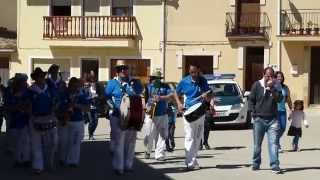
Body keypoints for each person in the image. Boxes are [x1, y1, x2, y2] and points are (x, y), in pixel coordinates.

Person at [104, 60, 143, 175]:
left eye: (125, 68)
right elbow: (106, 97)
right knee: (119, 142)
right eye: (120, 69)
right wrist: (113, 107)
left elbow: (141, 93)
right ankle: (118, 167)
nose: (123, 71)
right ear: (117, 71)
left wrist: (134, 85)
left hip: (133, 116)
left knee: (131, 142)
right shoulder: (112, 83)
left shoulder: (135, 82)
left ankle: (128, 165)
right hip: (117, 116)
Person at [173, 64, 213, 170]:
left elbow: (209, 97)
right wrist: (179, 104)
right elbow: (176, 93)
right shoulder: (184, 81)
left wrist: (206, 96)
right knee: (189, 137)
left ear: (199, 71)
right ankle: (190, 163)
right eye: (191, 72)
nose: (194, 74)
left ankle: (193, 160)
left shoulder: (203, 81)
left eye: (195, 72)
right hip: (188, 112)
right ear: (189, 72)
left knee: (198, 138)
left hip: (200, 112)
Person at [248, 67, 283, 174]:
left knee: (274, 144)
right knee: (257, 145)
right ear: (263, 75)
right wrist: (253, 114)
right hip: (259, 119)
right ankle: (256, 163)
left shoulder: (277, 85)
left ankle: (274, 165)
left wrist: (272, 88)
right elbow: (251, 100)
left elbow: (279, 99)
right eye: (267, 76)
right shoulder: (256, 85)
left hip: (273, 119)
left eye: (272, 76)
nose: (270, 78)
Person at [29, 67, 59, 174]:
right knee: (36, 143)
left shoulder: (49, 88)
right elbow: (28, 105)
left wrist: (54, 108)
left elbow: (56, 100)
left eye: (42, 76)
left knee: (51, 143)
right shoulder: (31, 90)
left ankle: (49, 163)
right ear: (35, 78)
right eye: (38, 76)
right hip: (35, 118)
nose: (41, 78)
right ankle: (38, 166)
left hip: (49, 117)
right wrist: (32, 116)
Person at [59, 77, 90, 167]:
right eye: (73, 86)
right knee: (64, 141)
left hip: (77, 121)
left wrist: (76, 105)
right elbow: (58, 106)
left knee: (75, 142)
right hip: (64, 120)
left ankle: (73, 161)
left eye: (77, 86)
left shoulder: (81, 95)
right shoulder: (63, 94)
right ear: (69, 86)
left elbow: (87, 108)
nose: (75, 88)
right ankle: (62, 159)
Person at [143, 70, 172, 161]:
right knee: (149, 134)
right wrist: (145, 107)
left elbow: (171, 96)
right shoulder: (148, 87)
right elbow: (143, 99)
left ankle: (159, 154)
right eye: (156, 78)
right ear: (152, 79)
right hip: (151, 114)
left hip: (163, 114)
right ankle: (148, 150)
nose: (157, 80)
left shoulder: (165, 86)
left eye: (159, 78)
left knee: (162, 135)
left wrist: (162, 98)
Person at [4, 73, 31, 168]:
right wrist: (16, 107)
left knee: (26, 140)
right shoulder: (9, 91)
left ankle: (26, 159)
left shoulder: (27, 92)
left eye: (24, 81)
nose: (24, 83)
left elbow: (30, 104)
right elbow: (7, 106)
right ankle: (18, 159)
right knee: (17, 141)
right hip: (14, 120)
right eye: (22, 81)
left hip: (25, 120)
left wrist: (26, 108)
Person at [275, 71, 293, 152]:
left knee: (283, 128)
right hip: (274, 111)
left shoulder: (285, 87)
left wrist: (291, 109)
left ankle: (275, 141)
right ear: (275, 78)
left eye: (281, 76)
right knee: (277, 128)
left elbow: (288, 99)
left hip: (283, 110)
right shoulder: (273, 86)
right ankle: (277, 144)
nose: (279, 78)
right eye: (278, 76)